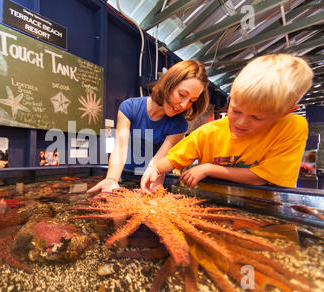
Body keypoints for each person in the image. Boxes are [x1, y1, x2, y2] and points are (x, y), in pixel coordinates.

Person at [141, 54, 314, 193]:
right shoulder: (208, 132)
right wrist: (155, 169)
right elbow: (171, 159)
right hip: (209, 199)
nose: (241, 122)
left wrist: (209, 169)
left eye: (257, 117)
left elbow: (263, 177)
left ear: (286, 112)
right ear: (231, 98)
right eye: (236, 110)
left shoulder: (292, 126)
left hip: (260, 208)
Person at [88, 60, 210, 195]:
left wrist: (153, 187)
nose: (184, 105)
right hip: (126, 176)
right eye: (182, 95)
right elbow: (120, 149)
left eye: (192, 101)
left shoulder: (179, 125)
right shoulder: (129, 108)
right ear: (168, 84)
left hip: (157, 181)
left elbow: (157, 163)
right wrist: (111, 179)